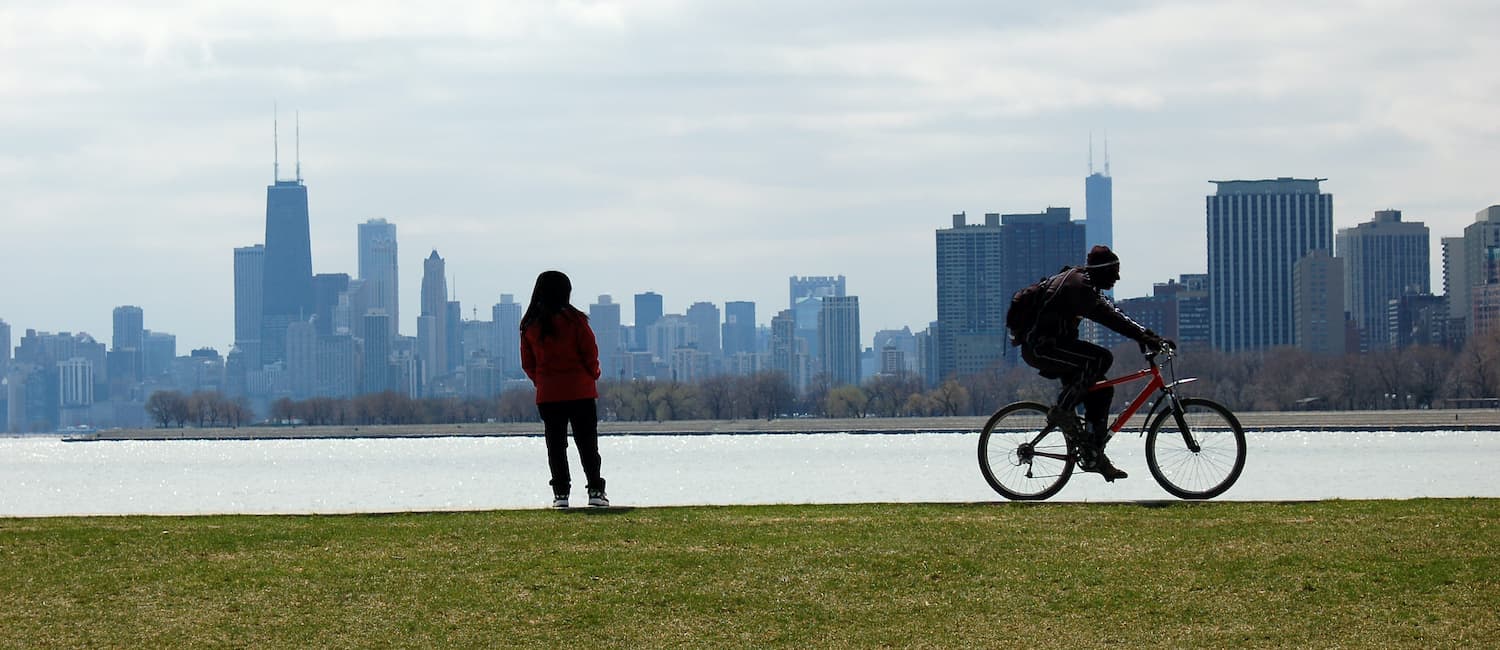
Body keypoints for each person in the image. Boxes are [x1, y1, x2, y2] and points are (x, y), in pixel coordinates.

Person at [1018, 245, 1168, 482]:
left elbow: (1115, 313)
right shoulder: (1078, 287)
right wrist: (1146, 338)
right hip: (1041, 348)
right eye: (1114, 272)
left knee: (1103, 389)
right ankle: (1062, 411)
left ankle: (1094, 455)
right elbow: (1110, 318)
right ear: (1102, 271)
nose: (1118, 277)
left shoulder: (1087, 285)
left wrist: (1148, 336)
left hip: (1056, 346)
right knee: (1100, 358)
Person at [520, 270, 608, 508]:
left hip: (549, 395)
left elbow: (528, 363)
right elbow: (590, 353)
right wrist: (593, 375)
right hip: (581, 392)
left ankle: (561, 494)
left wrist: (542, 382)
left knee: (556, 446)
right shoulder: (576, 321)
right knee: (588, 444)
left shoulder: (530, 325)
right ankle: (596, 492)